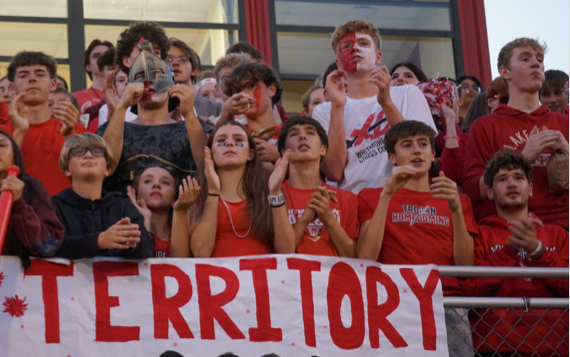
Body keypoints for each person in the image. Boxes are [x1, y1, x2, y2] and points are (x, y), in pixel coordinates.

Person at [357, 120, 477, 357]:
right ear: (392, 157)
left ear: (433, 155)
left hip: (447, 303)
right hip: (393, 304)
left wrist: (455, 210)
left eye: (423, 144)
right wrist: (387, 195)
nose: (416, 150)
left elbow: (466, 266)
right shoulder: (371, 197)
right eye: (407, 145)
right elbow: (366, 257)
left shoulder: (457, 199)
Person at [463, 151, 568, 357]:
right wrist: (510, 249)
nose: (511, 184)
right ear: (490, 192)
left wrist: (537, 251)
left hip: (553, 348)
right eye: (502, 179)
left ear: (530, 189)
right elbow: (469, 290)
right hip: (494, 348)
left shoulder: (557, 235)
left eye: (518, 178)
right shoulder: (479, 234)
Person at [312, 19, 435, 193]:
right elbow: (334, 173)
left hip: (403, 199)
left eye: (363, 43)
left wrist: (386, 102)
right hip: (353, 205)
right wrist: (337, 107)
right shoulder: (324, 110)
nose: (355, 48)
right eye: (347, 46)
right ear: (338, 63)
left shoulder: (408, 93)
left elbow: (420, 151)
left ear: (378, 56)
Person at [462, 38, 569, 228]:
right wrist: (522, 158)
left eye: (540, 59)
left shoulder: (565, 123)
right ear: (505, 72)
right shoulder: (485, 126)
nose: (536, 63)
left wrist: (566, 150)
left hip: (563, 228)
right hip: (509, 231)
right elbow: (472, 190)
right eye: (525, 59)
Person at [99, 28, 209, 194]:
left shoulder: (193, 127)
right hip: (124, 216)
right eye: (141, 75)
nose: (149, 82)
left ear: (171, 80)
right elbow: (105, 169)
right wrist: (121, 107)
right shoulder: (111, 129)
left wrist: (189, 115)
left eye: (157, 73)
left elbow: (208, 168)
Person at [190, 121, 294, 257]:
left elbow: (287, 250)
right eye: (221, 141)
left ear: (250, 154)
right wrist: (213, 192)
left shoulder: (268, 191)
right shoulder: (196, 193)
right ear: (210, 153)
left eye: (238, 140)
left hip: (260, 276)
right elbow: (200, 253)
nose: (230, 143)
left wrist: (275, 193)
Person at [53, 133, 153, 259]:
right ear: (67, 169)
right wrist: (99, 241)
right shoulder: (52, 207)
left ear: (107, 169)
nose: (88, 155)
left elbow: (147, 252)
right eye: (78, 152)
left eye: (97, 151)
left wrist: (133, 245)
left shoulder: (124, 208)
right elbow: (49, 247)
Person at [1, 51, 86, 196]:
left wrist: (70, 135)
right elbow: (2, 174)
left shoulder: (74, 128)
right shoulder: (3, 133)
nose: (32, 79)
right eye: (23, 75)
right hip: (18, 213)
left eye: (40, 74)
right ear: (13, 88)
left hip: (64, 215)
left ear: (53, 84)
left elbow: (85, 177)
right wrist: (19, 133)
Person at [277, 115, 358, 257]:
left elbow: (354, 257)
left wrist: (327, 218)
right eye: (294, 134)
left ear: (323, 149)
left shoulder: (347, 199)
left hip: (335, 278)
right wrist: (304, 220)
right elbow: (276, 254)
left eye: (310, 132)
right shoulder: (274, 197)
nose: (302, 137)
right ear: (284, 152)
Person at [0, 129, 64, 267]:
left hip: (15, 282)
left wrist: (19, 206)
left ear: (15, 158)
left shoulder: (31, 188)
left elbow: (50, 246)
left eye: (1, 146)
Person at [127, 164, 200, 257]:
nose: (156, 184)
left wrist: (180, 211)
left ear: (175, 198)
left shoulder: (187, 230)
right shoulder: (127, 230)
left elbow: (179, 267)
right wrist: (145, 220)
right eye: (148, 181)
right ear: (136, 195)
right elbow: (144, 267)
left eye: (165, 182)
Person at [221, 62, 284, 164]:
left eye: (251, 86)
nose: (243, 94)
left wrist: (279, 157)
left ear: (272, 89)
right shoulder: (234, 137)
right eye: (237, 91)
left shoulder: (291, 134)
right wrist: (226, 113)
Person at [168, 38, 223, 120]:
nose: (175, 62)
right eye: (169, 59)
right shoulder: (152, 106)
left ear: (194, 70)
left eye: (183, 59)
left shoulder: (216, 108)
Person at [73, 39, 114, 113]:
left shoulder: (125, 94)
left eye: (106, 55)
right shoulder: (75, 98)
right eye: (96, 56)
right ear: (88, 66)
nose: (102, 58)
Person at [83, 48, 118, 132]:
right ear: (102, 76)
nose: (118, 72)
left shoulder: (140, 105)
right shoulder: (92, 112)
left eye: (122, 68)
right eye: (112, 68)